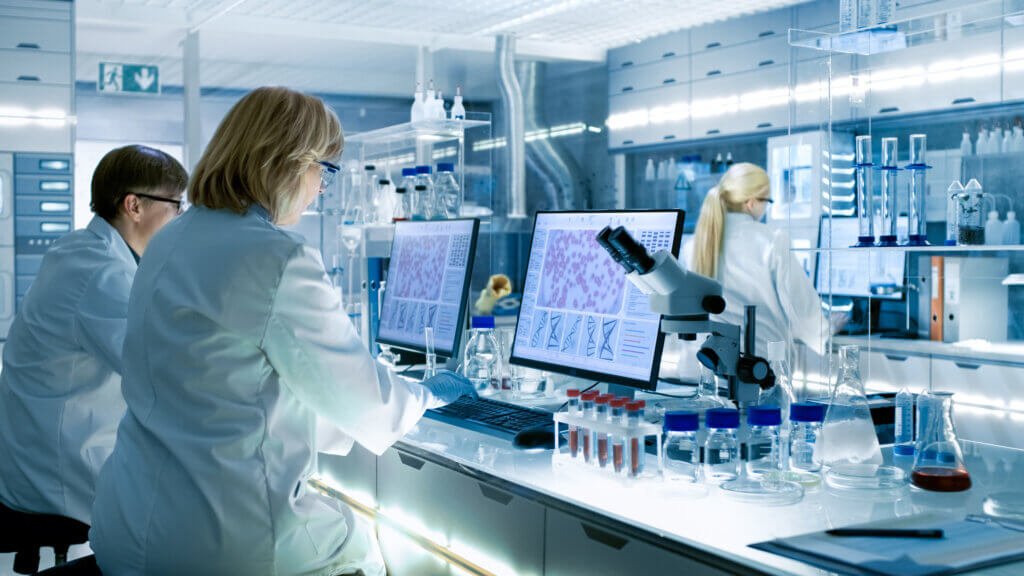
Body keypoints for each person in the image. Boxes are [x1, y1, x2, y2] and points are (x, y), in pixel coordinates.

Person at [90, 86, 475, 576]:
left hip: (129, 527)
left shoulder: (169, 241)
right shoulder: (276, 257)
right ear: (291, 162)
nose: (321, 189)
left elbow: (227, 384)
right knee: (373, 555)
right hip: (220, 544)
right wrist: (425, 394)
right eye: (325, 172)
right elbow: (368, 405)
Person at [0, 145, 187, 526]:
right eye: (175, 205)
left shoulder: (81, 251)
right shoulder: (101, 272)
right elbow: (158, 371)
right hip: (58, 476)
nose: (180, 218)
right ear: (134, 206)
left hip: (34, 454)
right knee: (191, 513)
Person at [678, 162, 834, 379]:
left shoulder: (694, 244)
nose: (766, 208)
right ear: (751, 203)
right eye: (767, 201)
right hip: (760, 371)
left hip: (706, 371)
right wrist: (826, 330)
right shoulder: (771, 240)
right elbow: (800, 306)